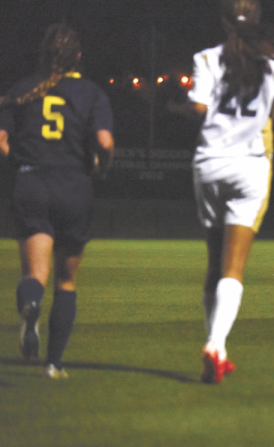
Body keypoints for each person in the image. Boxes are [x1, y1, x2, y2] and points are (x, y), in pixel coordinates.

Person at [170, 0, 274, 383]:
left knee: (214, 262)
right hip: (250, 165)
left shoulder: (206, 58)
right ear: (258, 20)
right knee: (233, 268)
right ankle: (216, 343)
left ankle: (217, 349)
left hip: (208, 164)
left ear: (223, 20)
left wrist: (177, 108)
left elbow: (198, 106)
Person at [0, 24, 115, 379]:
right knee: (66, 281)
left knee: (35, 275)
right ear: (77, 57)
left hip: (32, 183)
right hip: (73, 187)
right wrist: (102, 167)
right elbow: (105, 142)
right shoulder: (91, 93)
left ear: (42, 55)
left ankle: (30, 305)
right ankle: (54, 364)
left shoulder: (21, 90)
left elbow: (1, 141)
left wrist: (17, 159)